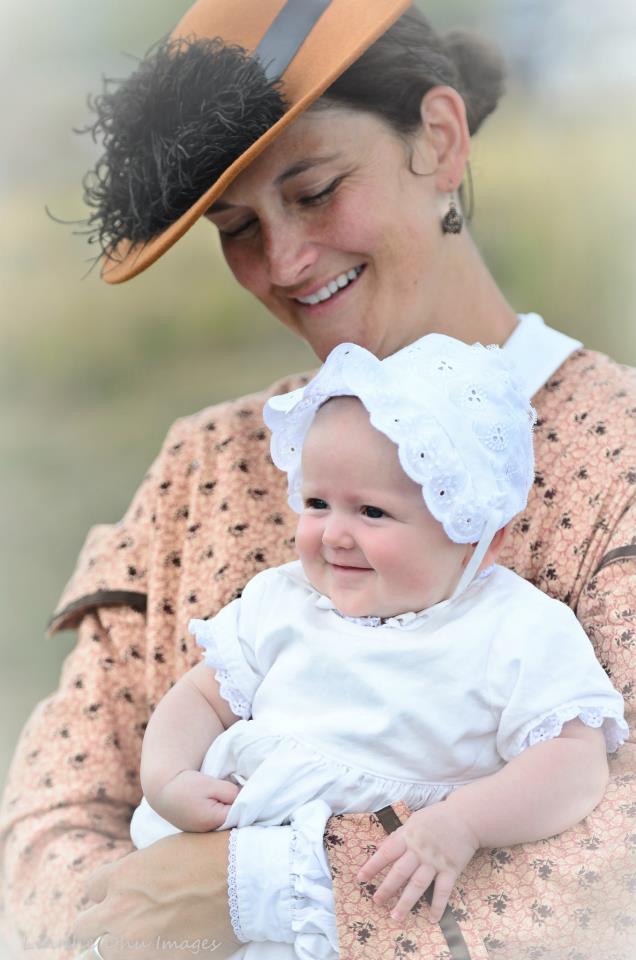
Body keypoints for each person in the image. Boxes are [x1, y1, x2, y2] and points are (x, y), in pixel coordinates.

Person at [0, 1, 634, 958]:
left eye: (316, 190)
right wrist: (118, 925)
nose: (284, 262)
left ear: (440, 139)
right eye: (237, 227)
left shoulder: (617, 451)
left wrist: (259, 890)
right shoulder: (201, 468)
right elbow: (49, 821)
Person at [128, 334, 625, 960]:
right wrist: (167, 776)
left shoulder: (514, 628)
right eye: (317, 503)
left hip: (353, 914)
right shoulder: (283, 600)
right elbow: (202, 696)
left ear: (477, 538)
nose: (334, 533)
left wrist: (467, 820)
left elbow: (574, 762)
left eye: (371, 512)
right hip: (200, 868)